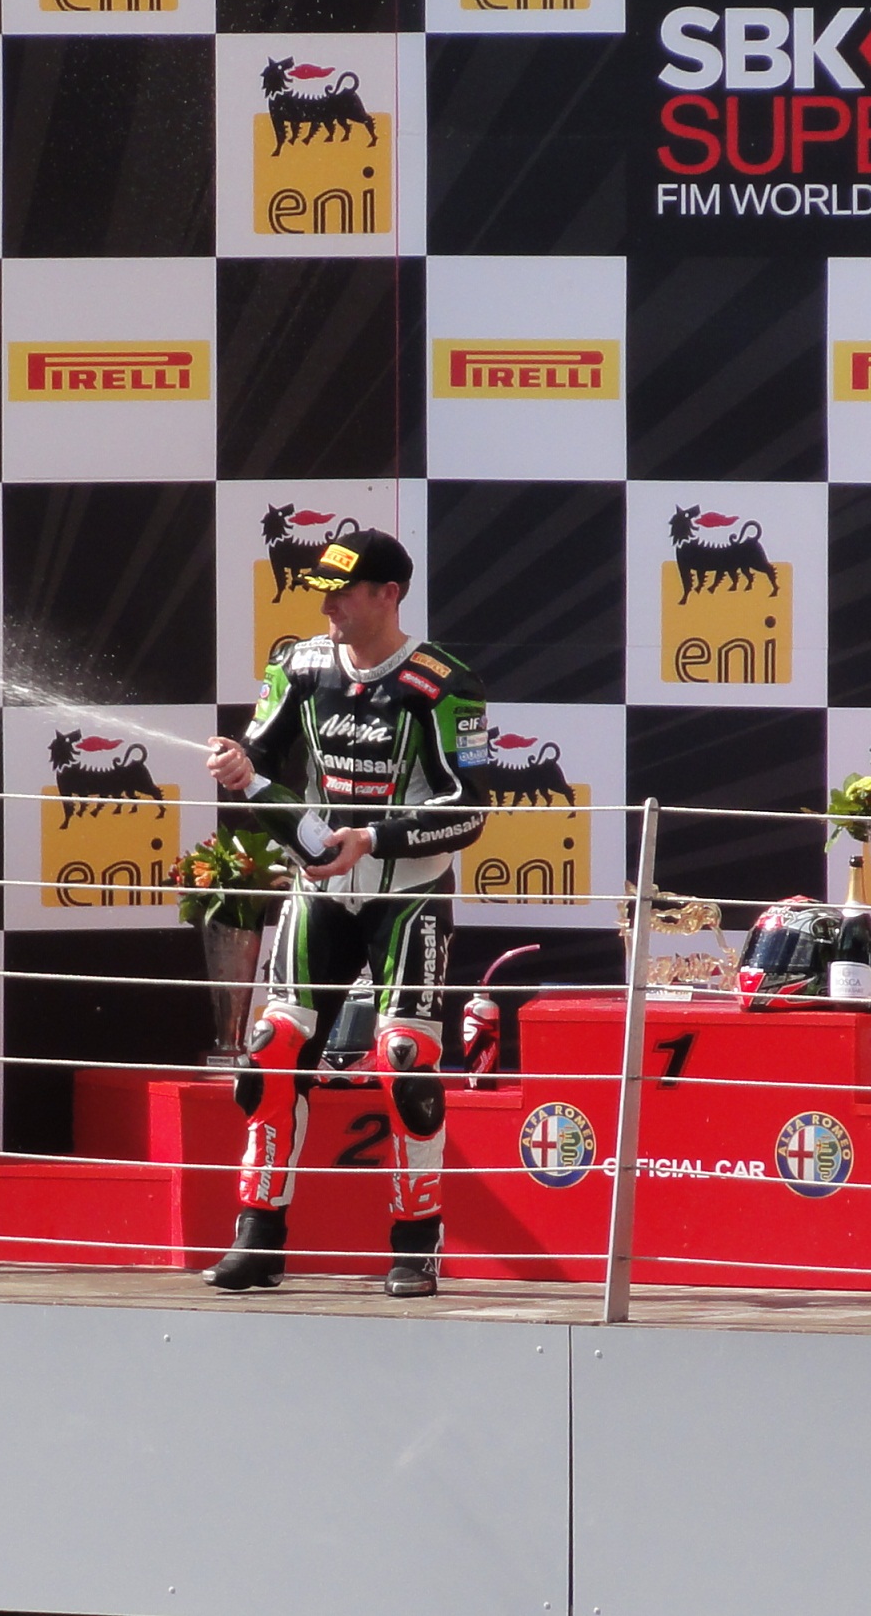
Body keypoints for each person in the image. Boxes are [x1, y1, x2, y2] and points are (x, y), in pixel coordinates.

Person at [200, 531, 488, 1297]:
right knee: (273, 1047)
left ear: (389, 594)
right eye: (323, 591)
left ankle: (415, 1241)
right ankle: (258, 1235)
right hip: (320, 889)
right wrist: (238, 766)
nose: (327, 605)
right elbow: (259, 761)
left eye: (344, 591)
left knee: (404, 1059)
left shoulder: (443, 682)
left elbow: (469, 810)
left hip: (408, 892)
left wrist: (372, 836)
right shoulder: (299, 665)